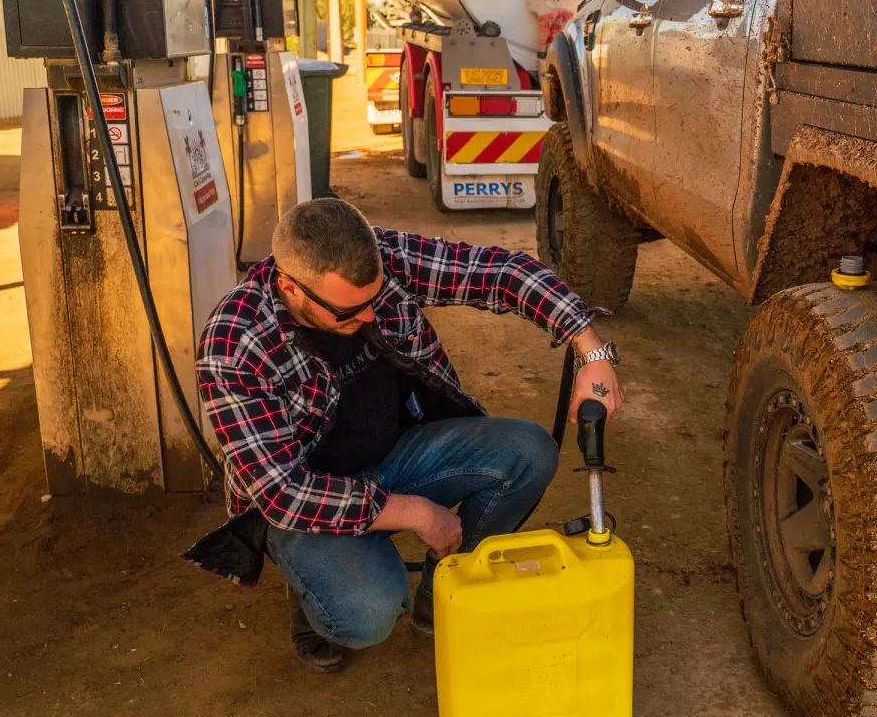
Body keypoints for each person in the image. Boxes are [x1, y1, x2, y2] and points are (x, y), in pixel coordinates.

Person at [182, 198, 623, 673]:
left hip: (398, 454)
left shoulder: (383, 262)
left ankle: (445, 590)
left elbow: (499, 272)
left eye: (375, 300)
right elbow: (283, 493)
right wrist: (414, 512)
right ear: (290, 286)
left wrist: (590, 349)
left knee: (528, 453)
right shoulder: (234, 343)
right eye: (349, 311)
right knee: (369, 614)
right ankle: (313, 607)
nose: (370, 317)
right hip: (308, 501)